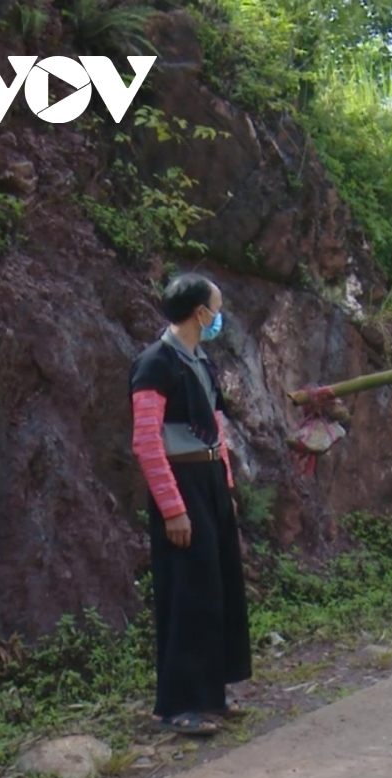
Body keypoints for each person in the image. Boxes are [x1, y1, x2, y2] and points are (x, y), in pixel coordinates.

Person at [128, 273, 251, 735]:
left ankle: (210, 695)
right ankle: (176, 706)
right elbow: (146, 441)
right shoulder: (154, 364)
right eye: (216, 307)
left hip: (209, 481)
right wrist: (172, 507)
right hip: (179, 483)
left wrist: (226, 486)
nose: (219, 316)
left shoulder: (202, 362)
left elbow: (215, 429)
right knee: (185, 590)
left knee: (215, 585)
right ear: (200, 312)